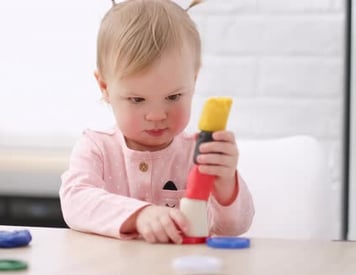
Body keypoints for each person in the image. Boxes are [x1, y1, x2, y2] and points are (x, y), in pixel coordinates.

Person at [59, 0, 254, 244]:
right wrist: (139, 214)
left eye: (173, 97)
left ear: (193, 80)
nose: (157, 115)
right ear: (105, 87)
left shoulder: (198, 153)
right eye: (137, 99)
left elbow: (233, 228)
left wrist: (226, 181)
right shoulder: (96, 147)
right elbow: (74, 202)